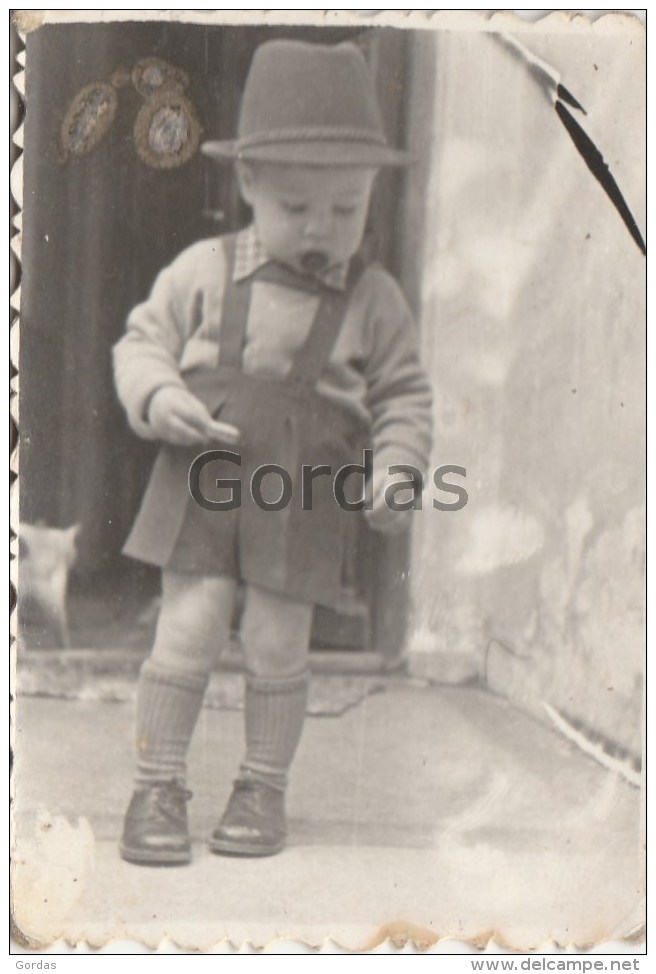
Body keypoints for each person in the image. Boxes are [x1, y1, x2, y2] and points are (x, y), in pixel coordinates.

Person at [113, 38, 433, 866]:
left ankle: (262, 787)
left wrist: (396, 467)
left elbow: (403, 397)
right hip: (204, 469)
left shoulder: (374, 299)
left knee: (279, 640)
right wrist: (161, 397)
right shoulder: (202, 269)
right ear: (248, 182)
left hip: (304, 488)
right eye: (296, 206)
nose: (322, 228)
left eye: (346, 207)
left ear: (370, 195)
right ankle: (156, 786)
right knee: (188, 624)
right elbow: (141, 343)